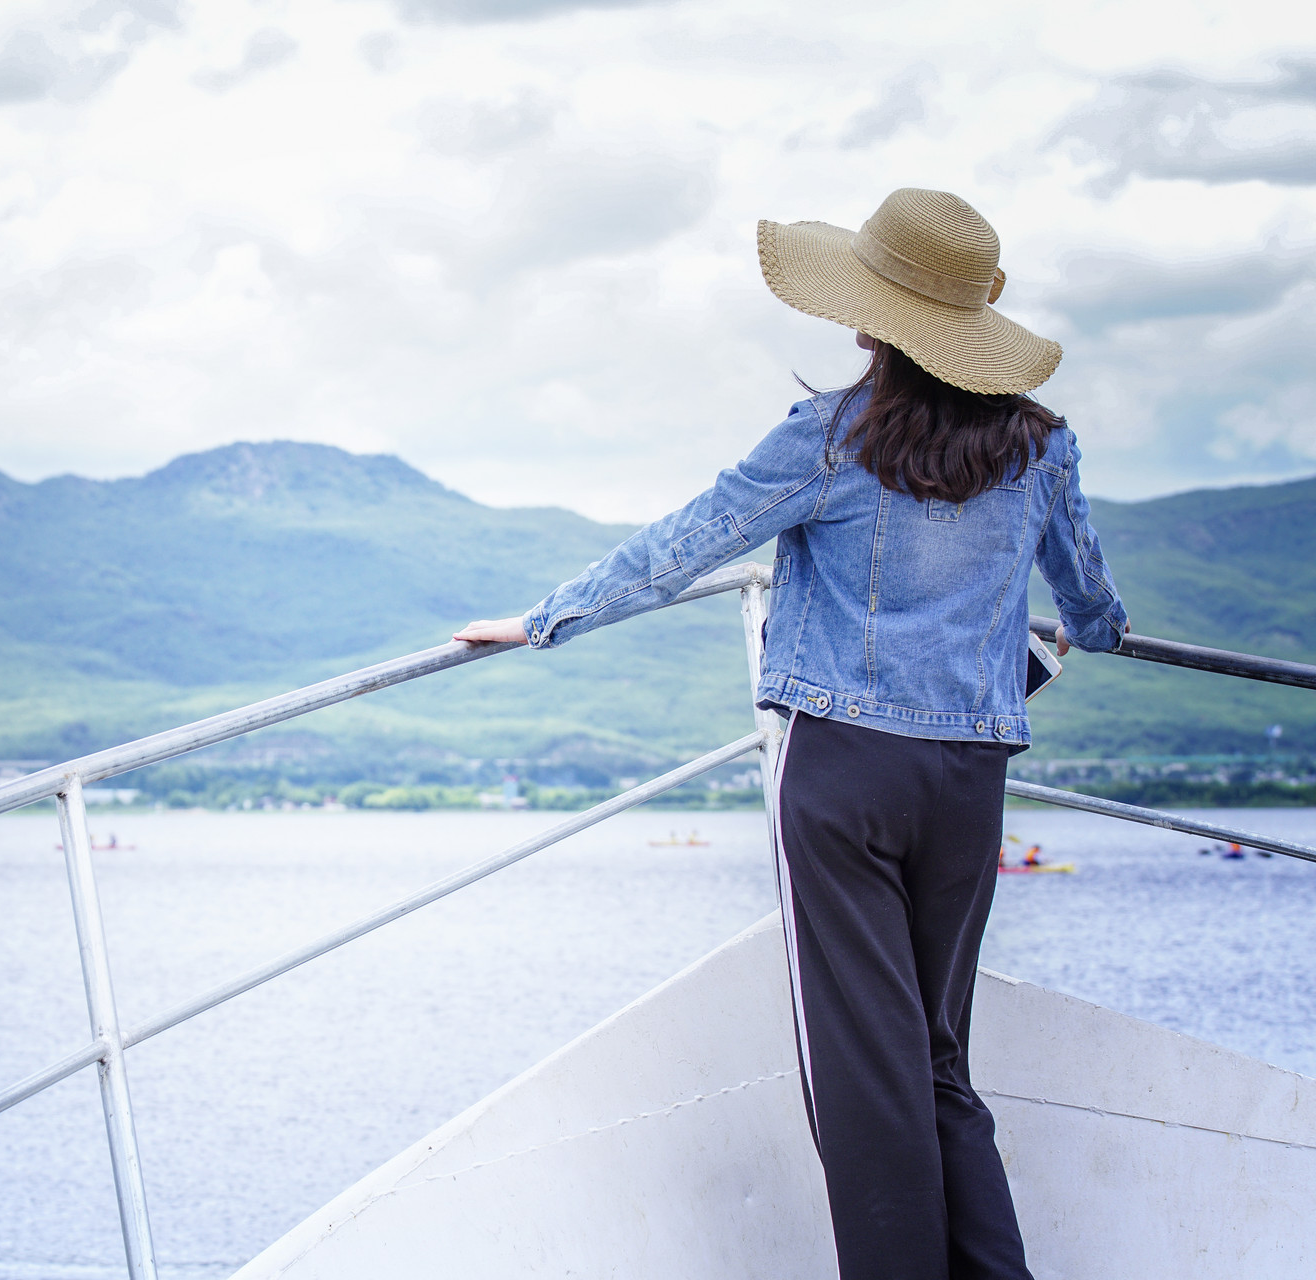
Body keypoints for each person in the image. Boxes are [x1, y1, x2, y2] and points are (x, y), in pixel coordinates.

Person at [454, 188, 1129, 1280]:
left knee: (867, 1075)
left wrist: (545, 619)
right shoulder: (1041, 448)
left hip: (844, 775)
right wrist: (1096, 630)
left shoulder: (829, 438)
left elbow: (688, 542)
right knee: (940, 1059)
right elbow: (1090, 597)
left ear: (875, 317)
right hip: (969, 780)